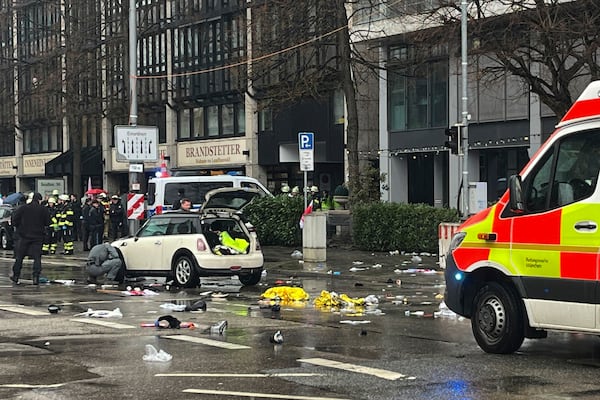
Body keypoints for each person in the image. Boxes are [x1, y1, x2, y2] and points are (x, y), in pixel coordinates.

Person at [10, 193, 51, 285]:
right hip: (38, 237)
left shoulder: (23, 208)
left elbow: (15, 220)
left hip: (24, 236)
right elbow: (48, 222)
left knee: (19, 257)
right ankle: (36, 277)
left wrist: (20, 229)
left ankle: (16, 276)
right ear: (39, 200)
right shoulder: (43, 209)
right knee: (37, 258)